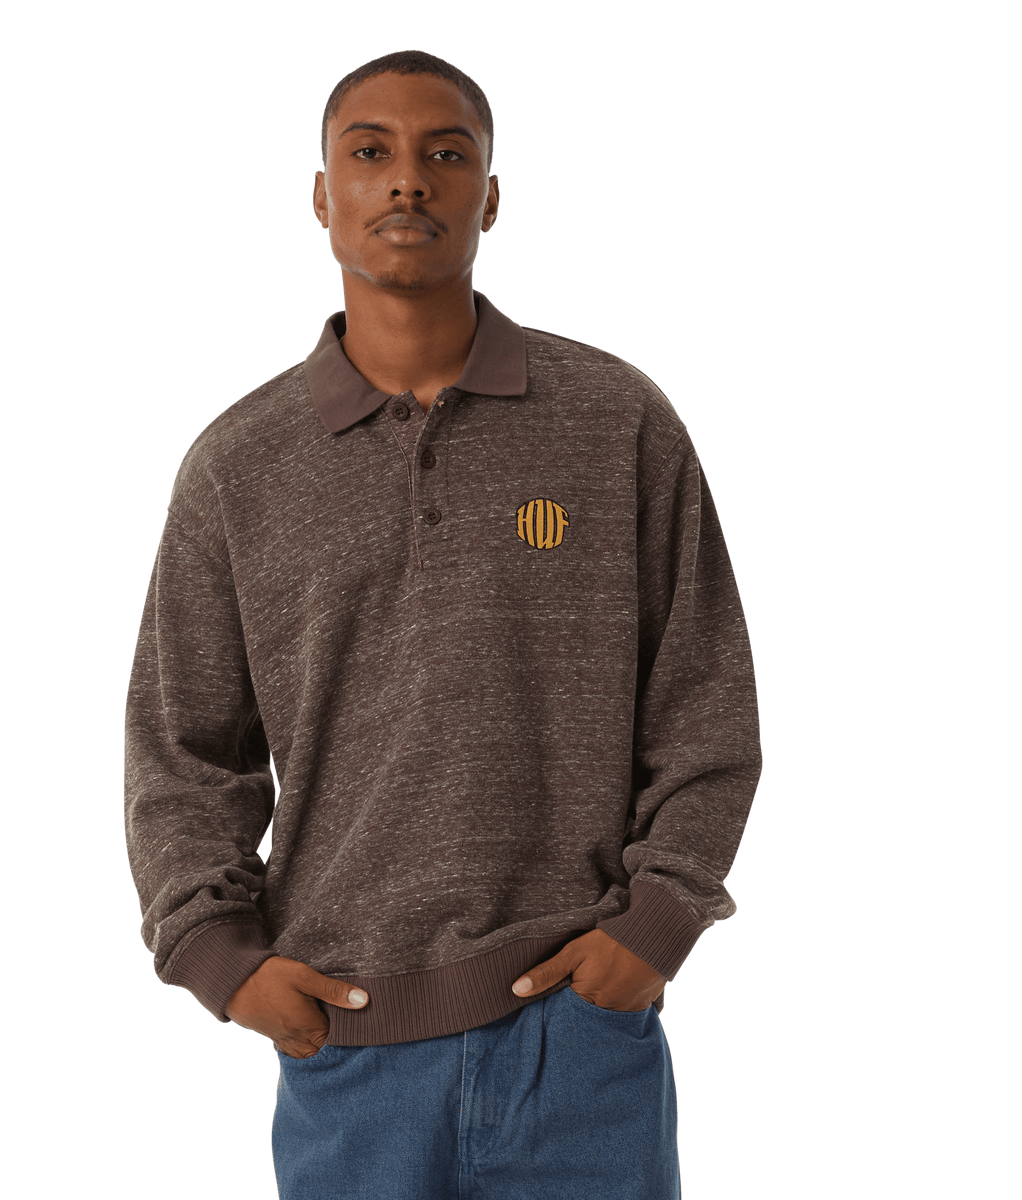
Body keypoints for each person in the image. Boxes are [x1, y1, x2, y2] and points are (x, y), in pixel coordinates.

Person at [123, 47, 763, 1200]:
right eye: (370, 152)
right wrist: (219, 957)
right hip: (346, 1050)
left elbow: (704, 701)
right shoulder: (237, 466)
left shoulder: (617, 422)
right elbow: (182, 752)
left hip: (581, 1040)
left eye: (446, 154)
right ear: (322, 195)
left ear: (491, 197)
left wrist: (660, 919)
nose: (407, 179)